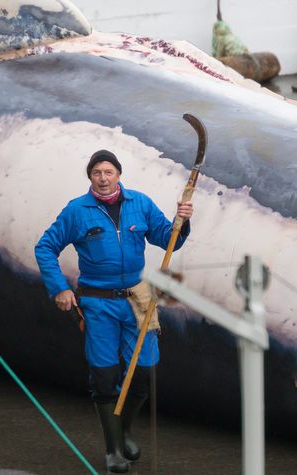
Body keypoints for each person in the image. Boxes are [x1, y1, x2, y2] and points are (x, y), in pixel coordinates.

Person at [35, 149, 193, 473]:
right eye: (97, 172)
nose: (103, 178)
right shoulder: (77, 211)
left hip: (138, 299)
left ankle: (123, 431)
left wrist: (182, 222)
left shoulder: (141, 204)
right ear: (90, 177)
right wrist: (60, 288)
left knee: (144, 372)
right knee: (105, 377)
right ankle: (113, 450)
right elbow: (45, 247)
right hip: (98, 303)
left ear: (119, 174)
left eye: (109, 172)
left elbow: (169, 240)